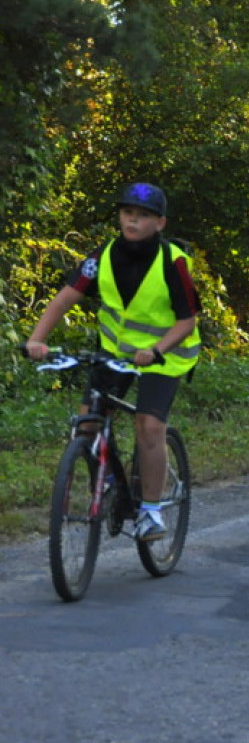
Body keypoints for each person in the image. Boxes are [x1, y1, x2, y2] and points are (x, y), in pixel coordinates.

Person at [24, 183, 201, 541]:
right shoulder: (102, 256)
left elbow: (187, 321)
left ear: (160, 223)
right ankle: (106, 484)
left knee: (149, 426)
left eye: (143, 215)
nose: (133, 220)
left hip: (164, 357)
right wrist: (37, 339)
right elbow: (66, 297)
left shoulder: (173, 262)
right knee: (87, 425)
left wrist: (157, 350)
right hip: (115, 353)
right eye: (127, 213)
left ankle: (150, 512)